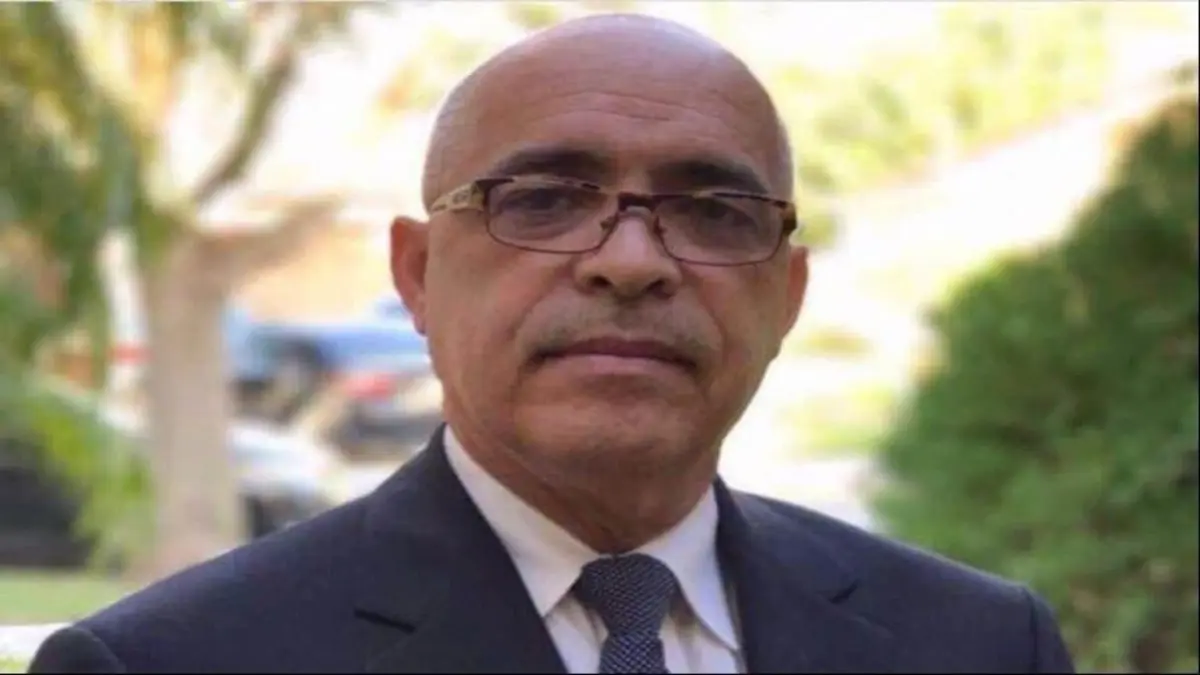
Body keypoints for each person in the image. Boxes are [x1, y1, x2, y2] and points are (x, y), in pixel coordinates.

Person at [30, 13, 1076, 675]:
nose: (631, 261)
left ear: (787, 293)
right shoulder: (172, 662)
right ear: (417, 275)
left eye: (714, 211)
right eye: (542, 199)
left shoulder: (981, 645)